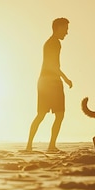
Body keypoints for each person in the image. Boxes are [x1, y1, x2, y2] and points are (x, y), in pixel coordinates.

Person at [25, 17, 73, 152]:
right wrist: (66, 79)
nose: (67, 32)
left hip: (44, 82)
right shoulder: (54, 43)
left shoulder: (50, 42)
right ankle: (50, 146)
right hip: (51, 82)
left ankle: (29, 146)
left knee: (42, 115)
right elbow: (52, 65)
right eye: (66, 29)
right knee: (58, 115)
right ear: (58, 28)